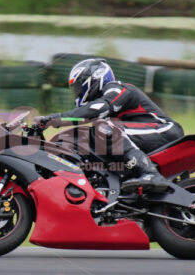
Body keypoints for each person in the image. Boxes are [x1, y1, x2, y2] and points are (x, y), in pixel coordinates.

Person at [34, 58, 184, 192]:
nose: (77, 92)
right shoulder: (103, 102)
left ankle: (149, 173)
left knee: (105, 127)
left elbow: (99, 108)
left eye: (79, 87)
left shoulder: (117, 88)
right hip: (145, 134)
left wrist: (56, 118)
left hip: (164, 129)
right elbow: (83, 117)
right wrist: (47, 124)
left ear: (94, 79)